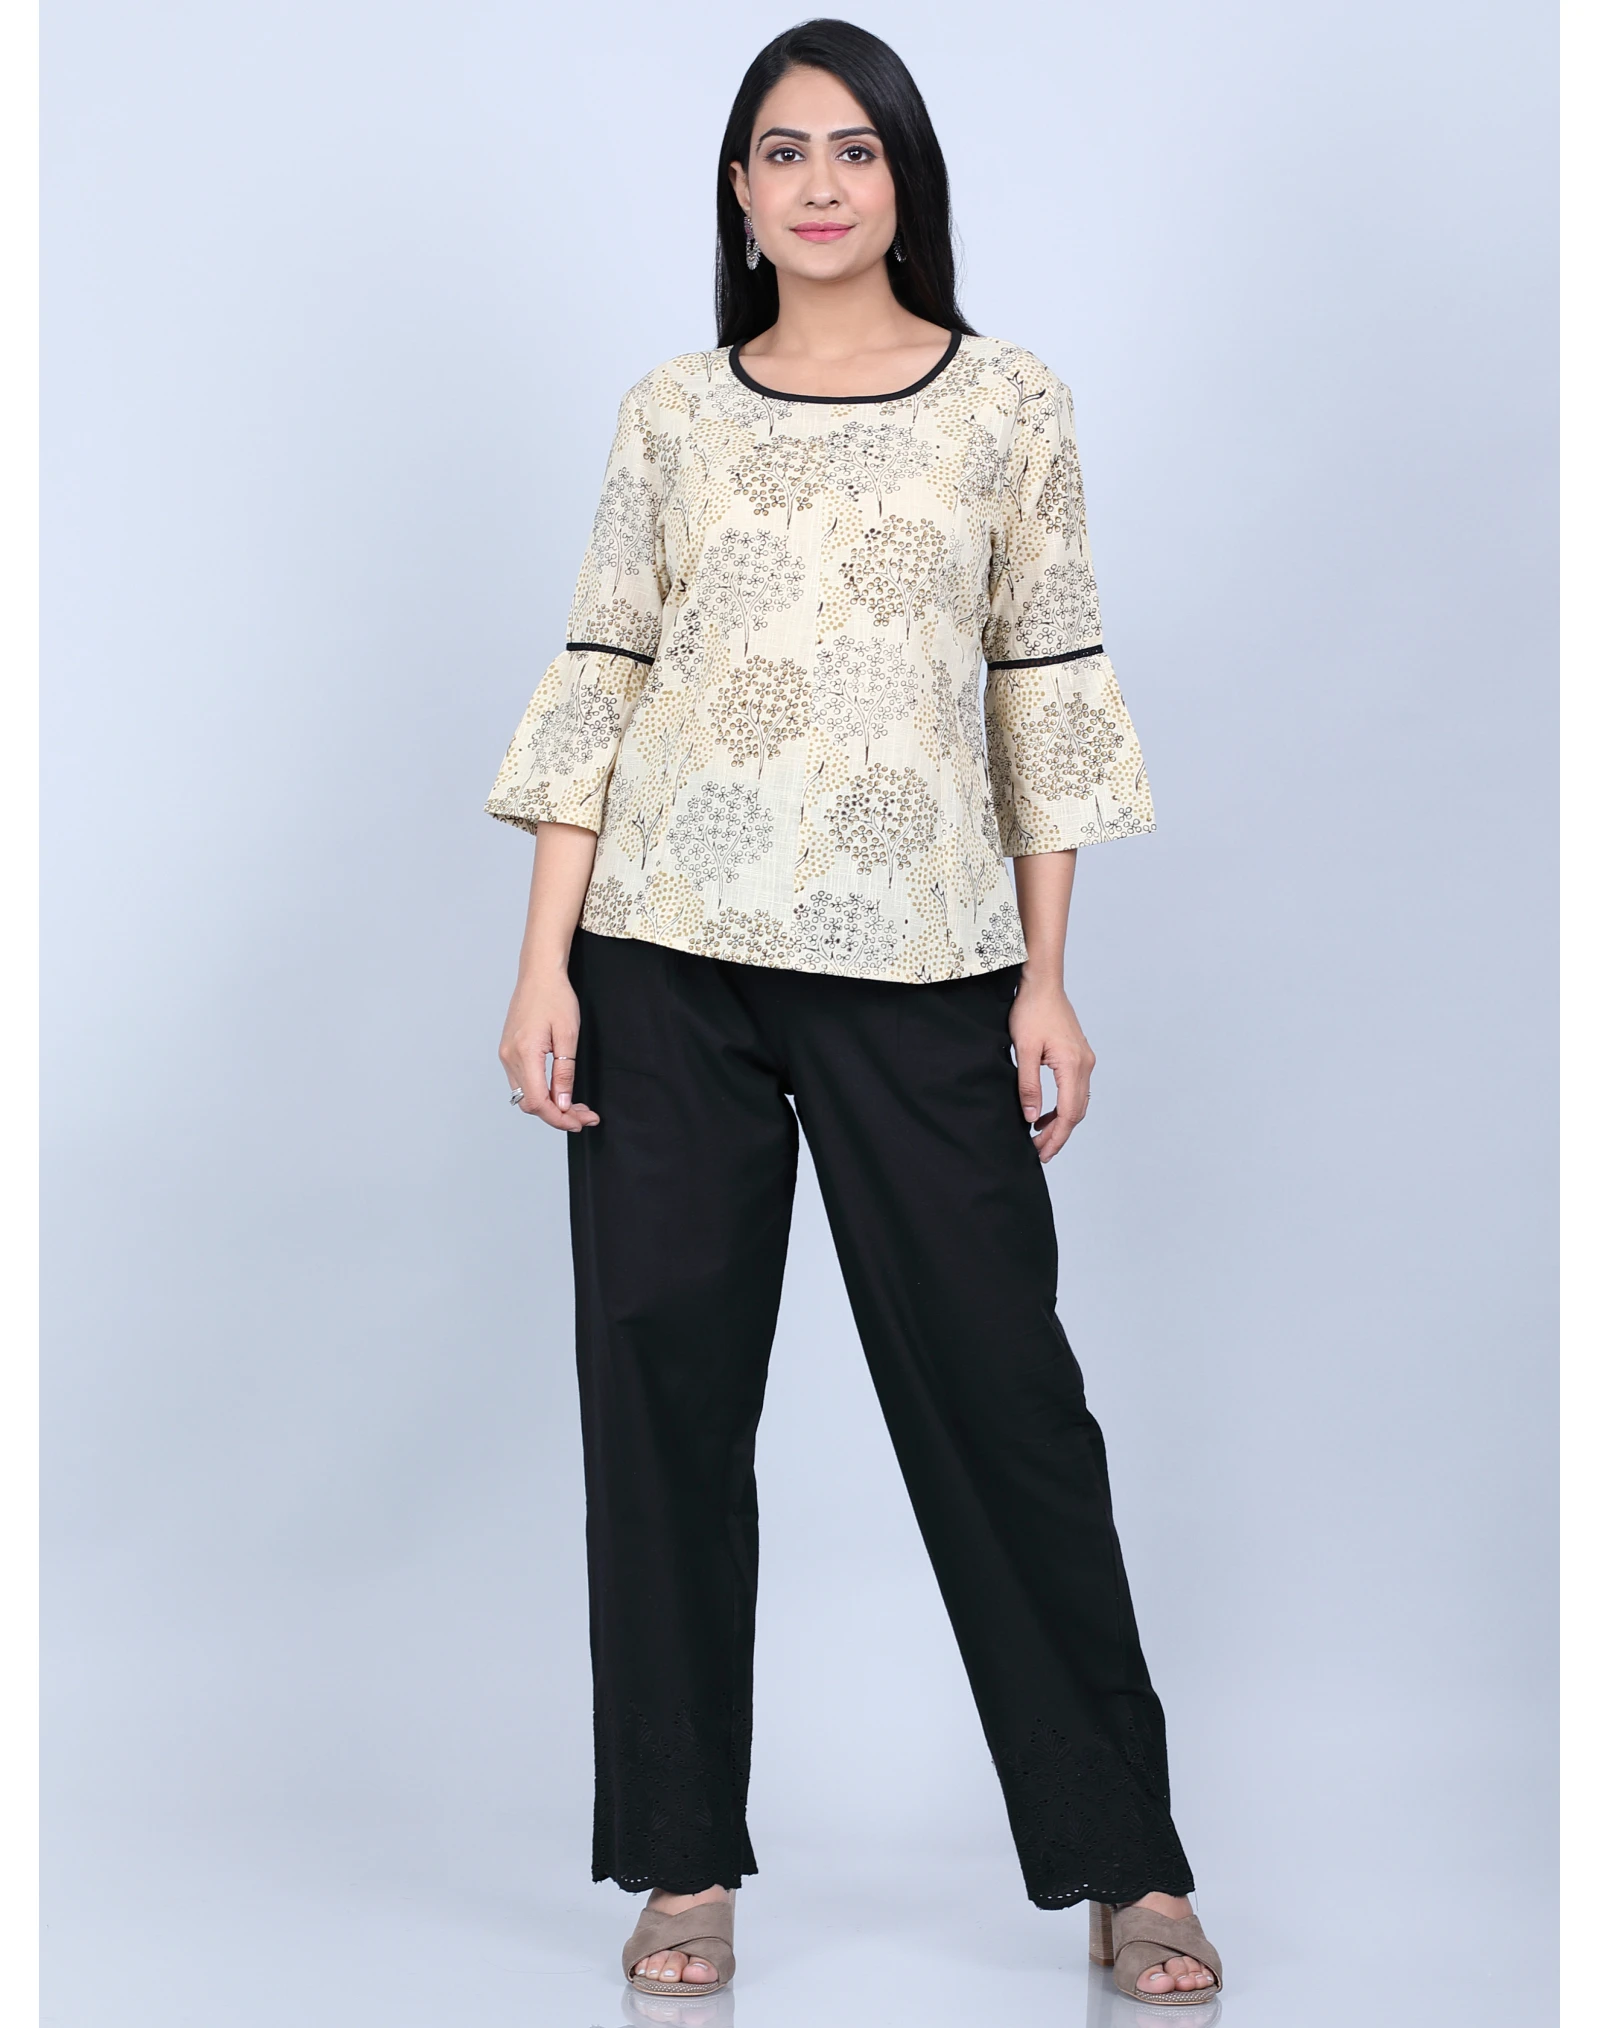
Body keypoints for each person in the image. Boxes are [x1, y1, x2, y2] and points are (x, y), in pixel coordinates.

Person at [486, 17, 1223, 2007]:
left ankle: (1127, 1862)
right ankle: (680, 1862)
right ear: (737, 193)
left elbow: (1043, 687)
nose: (818, 182)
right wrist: (544, 960)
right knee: (660, 1396)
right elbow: (602, 670)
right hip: (662, 952)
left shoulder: (1008, 405)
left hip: (922, 964)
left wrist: (1047, 977)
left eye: (854, 149)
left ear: (905, 179)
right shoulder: (670, 414)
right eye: (780, 150)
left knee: (1002, 1399)